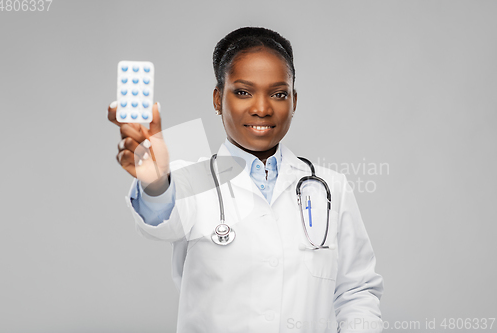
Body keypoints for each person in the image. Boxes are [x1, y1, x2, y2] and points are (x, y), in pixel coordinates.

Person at [108, 27, 384, 333]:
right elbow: (161, 219)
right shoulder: (190, 179)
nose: (262, 109)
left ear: (294, 101)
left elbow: (356, 292)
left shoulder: (331, 187)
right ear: (217, 99)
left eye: (278, 94)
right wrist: (155, 182)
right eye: (243, 92)